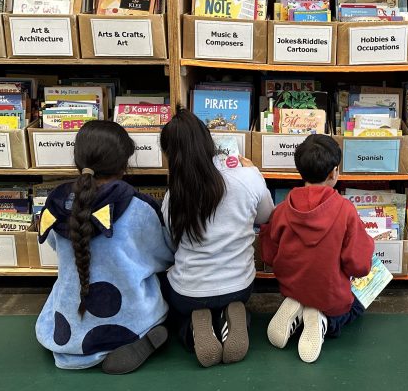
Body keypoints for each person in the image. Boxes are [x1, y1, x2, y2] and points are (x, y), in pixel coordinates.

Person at [35, 121, 174, 373]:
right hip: (131, 319)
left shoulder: (55, 205)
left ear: (78, 159)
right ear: (124, 165)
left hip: (65, 332)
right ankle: (139, 337)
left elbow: (57, 246)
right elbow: (163, 256)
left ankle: (87, 340)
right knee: (167, 285)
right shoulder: (137, 206)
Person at [160, 108, 274, 368]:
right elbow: (266, 216)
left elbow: (170, 245)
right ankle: (232, 316)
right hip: (239, 286)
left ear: (170, 156)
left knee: (166, 295)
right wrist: (255, 171)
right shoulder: (246, 178)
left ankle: (192, 329)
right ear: (209, 142)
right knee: (229, 298)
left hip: (188, 291)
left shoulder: (173, 196)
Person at [261, 135, 374, 363]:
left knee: (306, 287)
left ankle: (299, 304)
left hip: (293, 285)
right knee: (359, 304)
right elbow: (359, 266)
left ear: (299, 170)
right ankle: (325, 321)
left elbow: (269, 255)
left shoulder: (281, 210)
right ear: (334, 172)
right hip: (330, 294)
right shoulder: (346, 211)